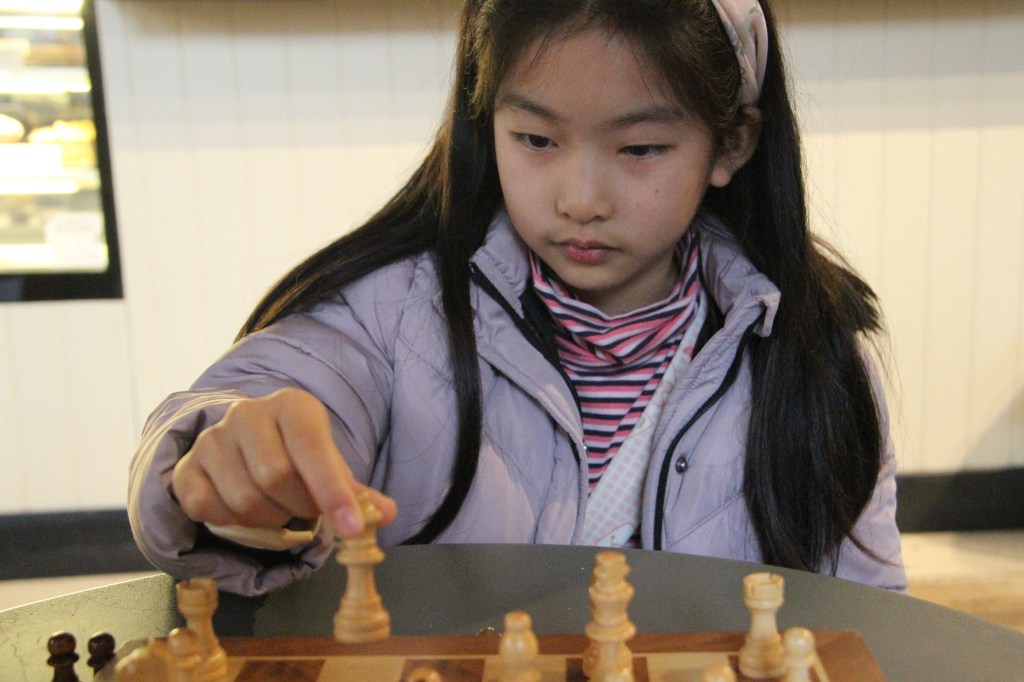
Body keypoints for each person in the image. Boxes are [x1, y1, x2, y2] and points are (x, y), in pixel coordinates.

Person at [128, 0, 907, 596]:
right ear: (486, 121)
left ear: (731, 144)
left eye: (640, 148)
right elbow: (279, 390)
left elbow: (871, 624)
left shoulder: (818, 361)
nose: (580, 199)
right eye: (536, 139)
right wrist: (239, 460)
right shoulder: (387, 317)